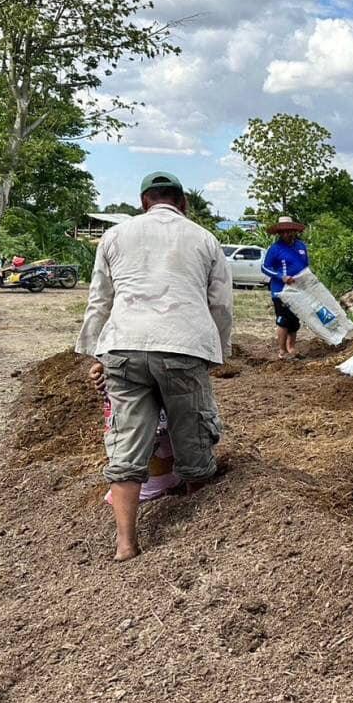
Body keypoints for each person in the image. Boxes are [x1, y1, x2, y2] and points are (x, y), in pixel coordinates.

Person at [77, 171, 233, 562]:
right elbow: (221, 305)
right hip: (182, 345)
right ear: (182, 202)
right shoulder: (204, 238)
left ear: (144, 201)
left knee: (127, 442)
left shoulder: (115, 236)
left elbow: (100, 300)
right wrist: (216, 351)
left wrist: (96, 355)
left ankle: (126, 544)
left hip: (123, 346)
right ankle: (203, 533)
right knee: (192, 431)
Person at [261, 215, 309, 359]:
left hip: (298, 289)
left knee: (294, 320)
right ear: (279, 233)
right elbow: (265, 267)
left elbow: (306, 266)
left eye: (289, 231)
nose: (287, 234)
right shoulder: (275, 249)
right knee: (283, 319)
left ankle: (291, 347)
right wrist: (281, 277)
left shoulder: (301, 247)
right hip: (280, 291)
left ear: (294, 231)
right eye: (284, 232)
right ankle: (282, 350)